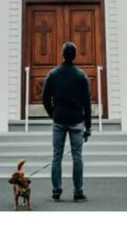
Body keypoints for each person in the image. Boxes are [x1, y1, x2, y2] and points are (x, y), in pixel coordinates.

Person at [41, 41, 91, 202]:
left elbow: (45, 98)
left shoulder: (53, 74)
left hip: (59, 120)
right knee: (77, 156)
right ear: (75, 56)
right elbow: (87, 103)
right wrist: (88, 126)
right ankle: (78, 191)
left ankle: (56, 190)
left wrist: (53, 114)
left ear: (63, 55)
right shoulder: (81, 76)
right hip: (77, 120)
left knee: (57, 156)